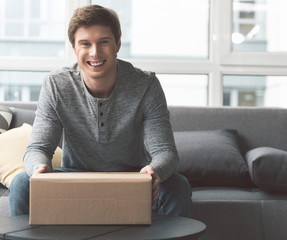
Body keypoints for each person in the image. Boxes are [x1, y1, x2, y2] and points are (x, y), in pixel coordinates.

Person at [9, 4, 192, 217]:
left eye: (104, 42)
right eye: (85, 44)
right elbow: (38, 147)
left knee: (178, 185)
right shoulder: (57, 84)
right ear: (74, 48)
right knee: (22, 182)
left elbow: (165, 152)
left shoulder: (146, 85)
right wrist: (39, 169)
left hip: (132, 179)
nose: (95, 53)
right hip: (75, 179)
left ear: (118, 44)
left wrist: (153, 172)